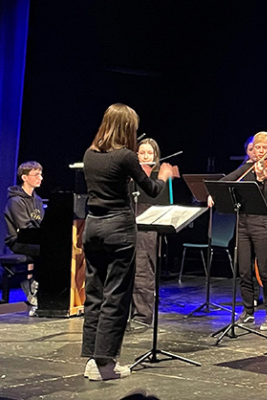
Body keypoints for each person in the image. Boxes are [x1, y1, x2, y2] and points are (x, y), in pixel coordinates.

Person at [81, 103, 174, 381]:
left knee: (95, 294)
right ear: (126, 128)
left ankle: (92, 359)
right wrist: (163, 175)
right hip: (118, 229)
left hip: (92, 227)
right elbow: (152, 190)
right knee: (116, 296)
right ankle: (105, 364)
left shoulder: (90, 153)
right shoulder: (126, 156)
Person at [208, 132, 267, 331]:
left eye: (264, 148)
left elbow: (265, 195)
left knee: (264, 270)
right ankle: (248, 311)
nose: (260, 151)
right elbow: (228, 179)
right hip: (243, 223)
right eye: (257, 147)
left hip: (261, 223)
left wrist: (260, 178)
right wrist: (214, 193)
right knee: (244, 270)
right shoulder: (247, 166)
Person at [128, 138, 171, 330]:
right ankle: (126, 313)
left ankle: (142, 316)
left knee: (142, 272)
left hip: (148, 227)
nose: (145, 156)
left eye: (149, 153)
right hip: (127, 224)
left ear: (155, 156)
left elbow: (164, 203)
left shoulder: (158, 177)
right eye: (142, 153)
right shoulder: (129, 175)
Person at [4, 161, 44, 315]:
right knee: (46, 251)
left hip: (33, 239)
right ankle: (33, 286)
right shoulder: (15, 201)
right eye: (36, 175)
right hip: (17, 241)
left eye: (41, 174)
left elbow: (40, 224)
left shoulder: (38, 200)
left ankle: (37, 285)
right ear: (24, 177)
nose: (41, 178)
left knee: (55, 250)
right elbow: (24, 228)